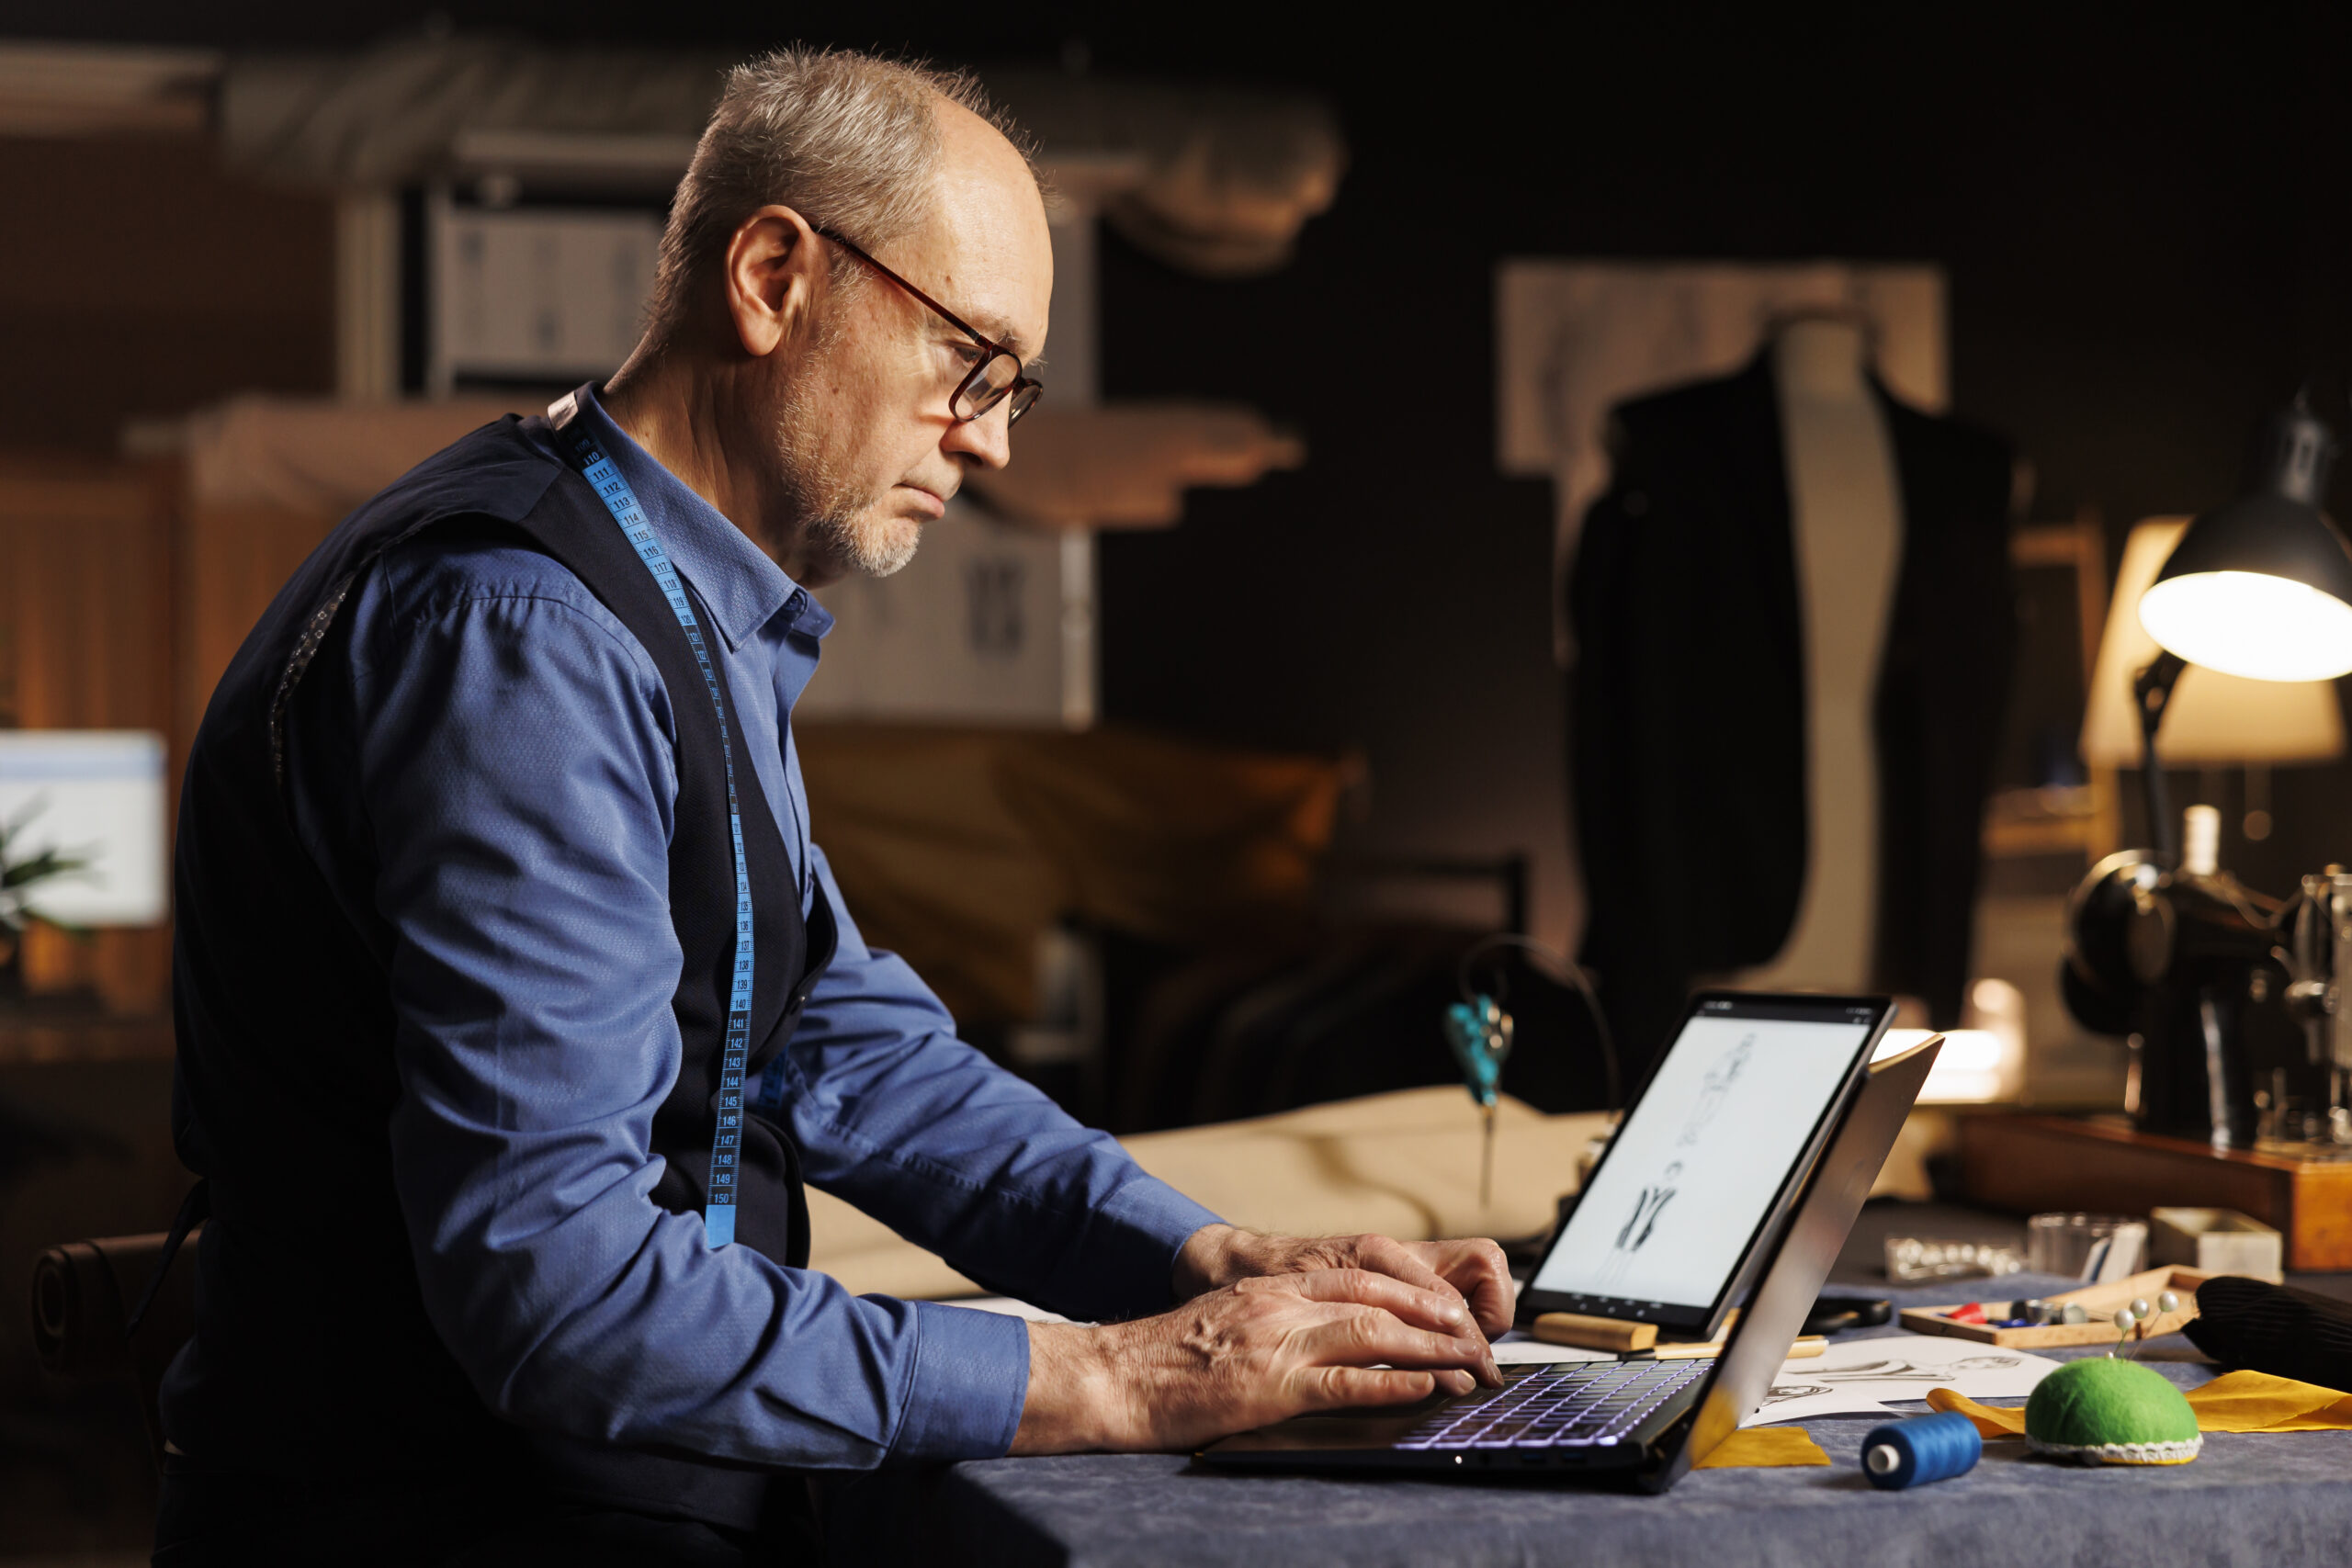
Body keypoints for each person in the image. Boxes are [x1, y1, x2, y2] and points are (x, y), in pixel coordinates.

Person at [155, 48, 1507, 1565]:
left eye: (1014, 387)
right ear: (774, 278)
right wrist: (1116, 1378)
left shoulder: (671, 606)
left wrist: (1205, 1259)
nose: (993, 438)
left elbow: (836, 1047)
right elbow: (561, 1290)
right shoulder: (530, 637)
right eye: (970, 360)